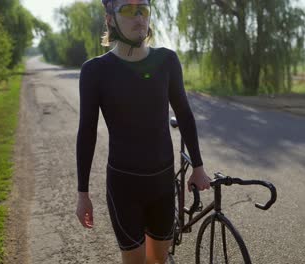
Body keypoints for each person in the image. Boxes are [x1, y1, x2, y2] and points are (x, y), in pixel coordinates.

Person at [75, 0, 211, 263]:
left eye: (144, 9)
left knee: (158, 260)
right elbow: (87, 133)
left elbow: (184, 113)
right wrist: (83, 194)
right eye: (127, 9)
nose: (138, 17)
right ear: (110, 19)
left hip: (161, 183)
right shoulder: (95, 71)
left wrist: (198, 166)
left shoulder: (167, 60)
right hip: (124, 186)